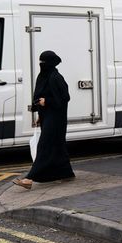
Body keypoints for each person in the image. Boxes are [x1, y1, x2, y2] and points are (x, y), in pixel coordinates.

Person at [13, 51, 74, 189]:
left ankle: (29, 179)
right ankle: (66, 173)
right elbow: (40, 97)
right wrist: (40, 116)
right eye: (40, 62)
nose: (41, 65)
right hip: (47, 117)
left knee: (44, 146)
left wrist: (47, 101)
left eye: (44, 62)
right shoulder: (43, 76)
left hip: (57, 118)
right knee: (58, 147)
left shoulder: (56, 77)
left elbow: (65, 97)